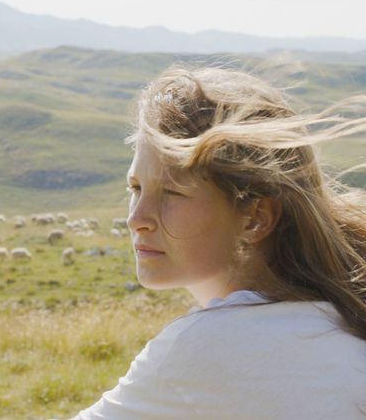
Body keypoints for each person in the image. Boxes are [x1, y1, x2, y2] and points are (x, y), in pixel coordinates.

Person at [70, 67, 366, 419]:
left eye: (171, 192)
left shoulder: (212, 346)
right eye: (136, 188)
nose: (137, 219)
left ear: (256, 217)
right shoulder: (335, 319)